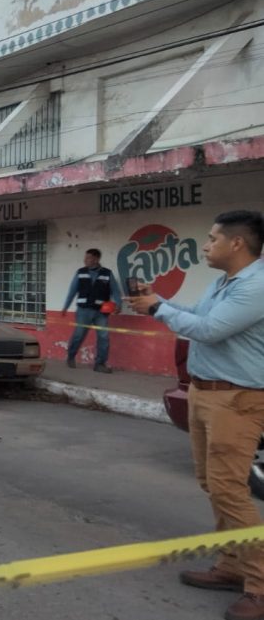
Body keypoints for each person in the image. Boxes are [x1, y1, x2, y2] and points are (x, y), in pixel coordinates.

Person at [128, 210, 264, 620]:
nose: (205, 246)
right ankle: (231, 565)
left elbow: (208, 330)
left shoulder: (256, 286)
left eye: (211, 239)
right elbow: (198, 317)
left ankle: (258, 584)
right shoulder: (225, 282)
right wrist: (158, 301)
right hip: (206, 393)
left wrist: (156, 309)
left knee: (229, 489)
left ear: (236, 243)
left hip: (237, 399)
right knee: (214, 484)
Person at [61, 248, 122, 372]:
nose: (85, 260)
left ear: (96, 259)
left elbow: (115, 291)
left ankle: (100, 364)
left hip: (101, 312)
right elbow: (72, 291)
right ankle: (71, 356)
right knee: (79, 335)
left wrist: (118, 304)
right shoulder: (80, 272)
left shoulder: (107, 273)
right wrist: (65, 307)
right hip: (83, 311)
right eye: (85, 257)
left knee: (103, 337)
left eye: (88, 258)